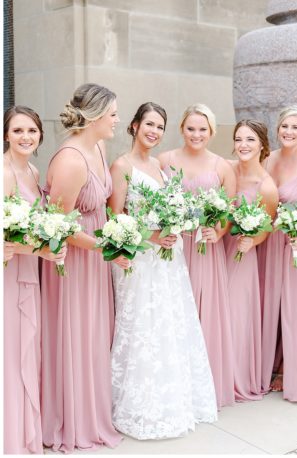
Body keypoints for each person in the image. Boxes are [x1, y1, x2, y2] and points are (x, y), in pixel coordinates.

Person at [107, 102, 217, 438]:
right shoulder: (122, 166)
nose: (154, 132)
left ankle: (174, 400)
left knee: (170, 324)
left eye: (159, 127)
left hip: (169, 259)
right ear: (135, 125)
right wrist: (153, 236)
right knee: (143, 324)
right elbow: (116, 220)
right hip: (140, 258)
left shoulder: (160, 165)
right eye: (149, 124)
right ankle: (139, 406)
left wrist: (176, 224)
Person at [41, 83, 127, 452]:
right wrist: (106, 249)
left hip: (95, 256)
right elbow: (60, 227)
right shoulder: (70, 160)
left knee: (95, 334)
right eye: (112, 114)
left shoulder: (99, 146)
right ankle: (73, 420)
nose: (117, 121)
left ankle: (94, 411)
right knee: (76, 334)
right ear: (93, 116)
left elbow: (104, 206)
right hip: (73, 264)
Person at [158, 104, 238, 408]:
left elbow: (228, 212)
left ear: (212, 132)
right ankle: (176, 386)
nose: (196, 134)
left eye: (202, 129)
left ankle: (205, 388)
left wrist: (217, 232)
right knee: (174, 311)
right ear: (182, 129)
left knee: (204, 314)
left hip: (205, 249)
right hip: (174, 245)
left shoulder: (221, 167)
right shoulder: (164, 161)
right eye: (191, 128)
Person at [3, 106, 65, 454]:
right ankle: (10, 436)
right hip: (10, 273)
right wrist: (41, 250)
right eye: (17, 131)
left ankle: (25, 429)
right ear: (5, 135)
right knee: (11, 352)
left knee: (25, 349)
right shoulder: (5, 172)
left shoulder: (32, 169)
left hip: (29, 271)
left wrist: (46, 244)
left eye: (32, 131)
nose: (25, 137)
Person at [262, 106, 297, 401]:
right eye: (284, 126)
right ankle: (271, 368)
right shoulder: (268, 159)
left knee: (295, 309)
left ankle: (295, 375)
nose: (289, 132)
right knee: (271, 305)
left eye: (295, 127)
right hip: (270, 244)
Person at [226, 120, 279, 401]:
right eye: (238, 139)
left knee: (235, 316)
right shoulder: (226, 170)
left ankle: (235, 377)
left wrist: (252, 240)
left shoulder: (266, 186)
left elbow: (266, 228)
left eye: (249, 140)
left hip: (240, 254)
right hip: (215, 250)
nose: (243, 145)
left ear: (261, 145)